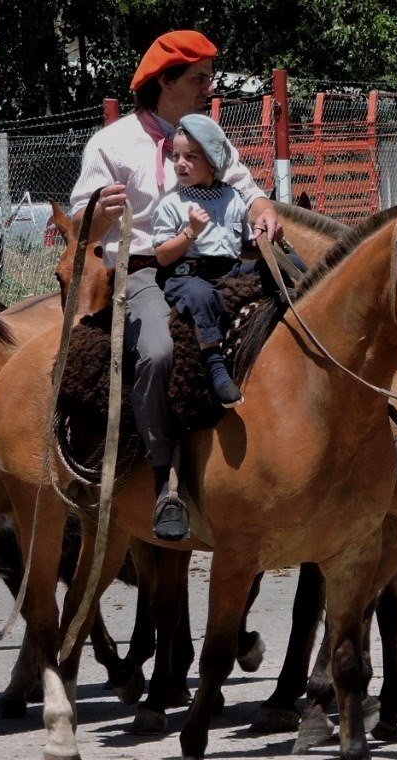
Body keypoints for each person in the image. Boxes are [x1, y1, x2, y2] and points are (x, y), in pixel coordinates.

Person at [69, 30, 282, 542]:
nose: (210, 85)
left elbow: (250, 193)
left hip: (220, 263)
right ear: (166, 81)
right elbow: (81, 230)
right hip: (144, 270)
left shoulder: (209, 135)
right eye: (199, 77)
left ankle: (377, 437)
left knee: (307, 300)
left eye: (209, 75)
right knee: (159, 351)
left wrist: (265, 212)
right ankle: (166, 482)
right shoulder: (111, 144)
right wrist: (97, 216)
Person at [152, 113, 254, 409]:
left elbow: (243, 242)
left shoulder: (233, 197)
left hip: (228, 270)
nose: (179, 163)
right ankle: (215, 365)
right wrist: (190, 233)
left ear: (212, 163)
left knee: (288, 267)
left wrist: (262, 239)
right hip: (187, 275)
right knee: (202, 296)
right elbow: (162, 255)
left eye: (190, 156)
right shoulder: (172, 204)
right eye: (176, 156)